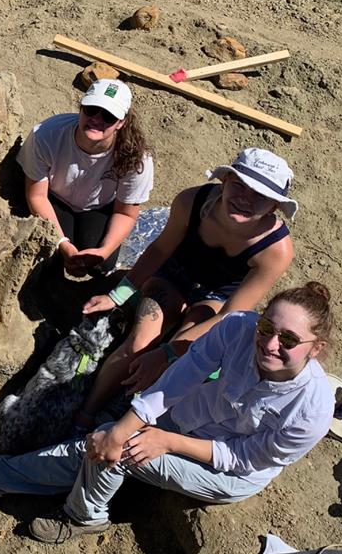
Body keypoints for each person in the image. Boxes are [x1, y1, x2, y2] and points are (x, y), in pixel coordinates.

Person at [0, 282, 335, 544]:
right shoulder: (237, 328)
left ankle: (72, 511)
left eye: (289, 339)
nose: (269, 343)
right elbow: (181, 377)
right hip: (187, 418)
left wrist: (164, 440)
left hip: (224, 469)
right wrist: (127, 427)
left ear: (315, 348)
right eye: (267, 327)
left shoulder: (312, 410)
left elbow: (243, 458)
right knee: (113, 437)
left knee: (124, 450)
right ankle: (3, 480)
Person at [74, 148, 296, 427]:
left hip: (217, 298)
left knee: (181, 362)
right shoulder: (193, 202)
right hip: (174, 276)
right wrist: (118, 295)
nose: (245, 200)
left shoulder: (275, 250)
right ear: (225, 180)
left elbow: (229, 315)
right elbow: (160, 249)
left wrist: (167, 354)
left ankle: (125, 421)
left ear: (275, 206)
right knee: (139, 345)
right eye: (240, 185)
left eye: (260, 196)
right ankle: (85, 415)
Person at [18, 79, 153, 278]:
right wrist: (62, 244)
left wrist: (103, 251)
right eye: (91, 110)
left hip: (98, 207)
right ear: (81, 108)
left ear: (121, 122)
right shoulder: (46, 135)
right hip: (53, 198)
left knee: (101, 265)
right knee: (50, 256)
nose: (97, 119)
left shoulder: (137, 158)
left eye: (108, 116)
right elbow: (37, 195)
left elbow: (126, 213)